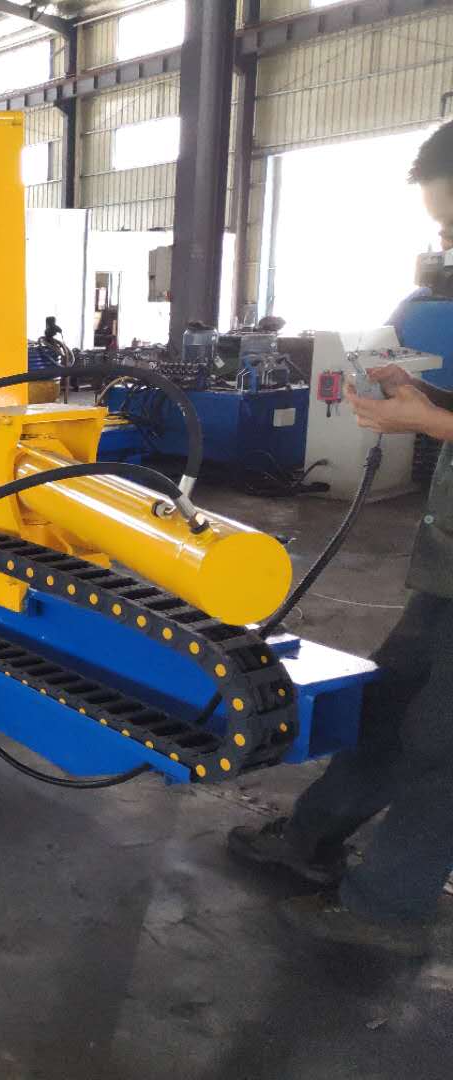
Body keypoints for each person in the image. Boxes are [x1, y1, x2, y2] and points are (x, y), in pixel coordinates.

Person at [227, 119, 453, 958]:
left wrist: (426, 421)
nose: (446, 244)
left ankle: (388, 907)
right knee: (389, 704)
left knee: (444, 746)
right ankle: (310, 837)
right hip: (448, 562)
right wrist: (418, 397)